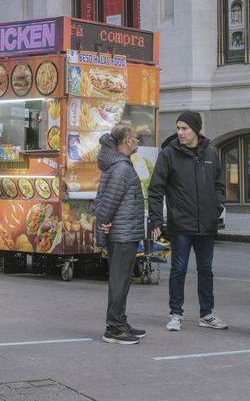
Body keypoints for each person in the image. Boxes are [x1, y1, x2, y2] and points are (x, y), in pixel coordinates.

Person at [148, 111, 228, 332]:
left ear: (196, 130)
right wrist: (156, 219)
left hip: (206, 225)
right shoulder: (169, 154)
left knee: (206, 270)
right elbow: (155, 189)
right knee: (178, 269)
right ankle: (175, 314)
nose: (180, 133)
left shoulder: (210, 153)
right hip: (180, 224)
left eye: (185, 129)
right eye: (178, 128)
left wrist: (217, 207)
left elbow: (219, 184)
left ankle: (207, 314)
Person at [95, 123, 146, 345]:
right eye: (135, 137)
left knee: (122, 281)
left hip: (125, 232)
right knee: (119, 281)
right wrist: (100, 236)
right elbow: (107, 205)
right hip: (122, 234)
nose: (137, 141)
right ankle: (114, 328)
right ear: (127, 141)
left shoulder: (118, 164)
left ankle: (120, 322)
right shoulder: (121, 168)